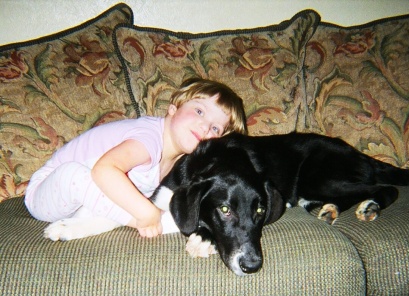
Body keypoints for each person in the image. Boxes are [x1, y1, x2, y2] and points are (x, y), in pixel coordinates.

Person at [25, 78, 247, 238]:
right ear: (173, 108)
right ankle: (145, 220)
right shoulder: (149, 137)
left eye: (216, 128)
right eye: (199, 112)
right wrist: (145, 213)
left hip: (86, 200)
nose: (205, 126)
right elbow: (104, 171)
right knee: (74, 174)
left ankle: (98, 216)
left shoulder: (179, 162)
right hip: (47, 191)